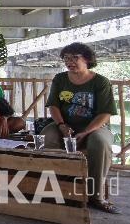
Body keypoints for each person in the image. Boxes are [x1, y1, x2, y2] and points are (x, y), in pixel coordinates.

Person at [43, 42, 119, 214]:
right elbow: (53, 106)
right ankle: (57, 188)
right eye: (66, 58)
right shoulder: (60, 79)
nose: (69, 61)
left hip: (94, 127)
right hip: (64, 124)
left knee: (100, 143)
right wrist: (61, 125)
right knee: (47, 137)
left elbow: (105, 113)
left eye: (74, 57)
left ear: (87, 59)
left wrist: (86, 132)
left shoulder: (100, 82)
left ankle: (96, 196)